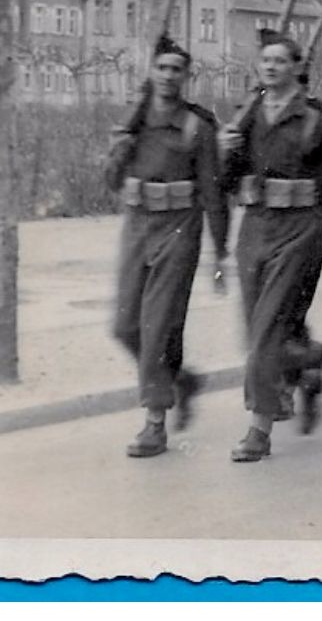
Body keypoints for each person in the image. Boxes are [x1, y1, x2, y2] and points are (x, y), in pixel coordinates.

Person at [220, 29, 322, 463]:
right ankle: (307, 361)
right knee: (258, 326)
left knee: (265, 331)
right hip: (255, 226)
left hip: (301, 230)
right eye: (266, 60)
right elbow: (226, 181)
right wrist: (228, 152)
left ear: (298, 67)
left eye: (280, 60)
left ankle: (259, 427)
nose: (271, 66)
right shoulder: (249, 113)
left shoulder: (318, 119)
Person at [104, 33, 230, 459]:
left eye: (177, 69)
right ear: (151, 71)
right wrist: (117, 153)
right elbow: (109, 183)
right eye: (162, 67)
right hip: (138, 224)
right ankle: (180, 379)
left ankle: (154, 422)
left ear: (186, 76)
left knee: (157, 326)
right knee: (124, 326)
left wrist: (220, 253)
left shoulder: (197, 125)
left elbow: (214, 193)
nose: (168, 75)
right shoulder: (134, 119)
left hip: (180, 228)